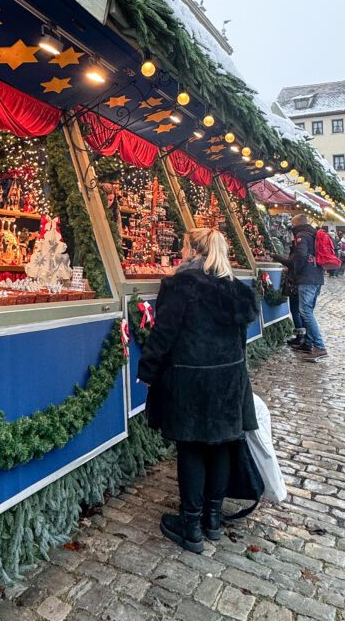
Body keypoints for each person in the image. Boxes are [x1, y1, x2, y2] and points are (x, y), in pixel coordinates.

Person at [138, 227, 259, 554]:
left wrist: (147, 371)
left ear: (193, 251)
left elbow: (163, 333)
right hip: (228, 379)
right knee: (220, 445)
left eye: (184, 245)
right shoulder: (235, 289)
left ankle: (191, 525)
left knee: (191, 447)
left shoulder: (181, 286)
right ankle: (213, 520)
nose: (180, 250)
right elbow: (240, 341)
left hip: (192, 380)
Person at [279, 213, 327, 360]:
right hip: (316, 276)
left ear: (297, 223)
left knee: (305, 312)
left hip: (307, 278)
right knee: (308, 311)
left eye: (292, 224)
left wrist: (296, 271)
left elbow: (301, 257)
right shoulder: (312, 234)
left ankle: (319, 346)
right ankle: (308, 342)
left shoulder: (302, 236)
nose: (291, 227)